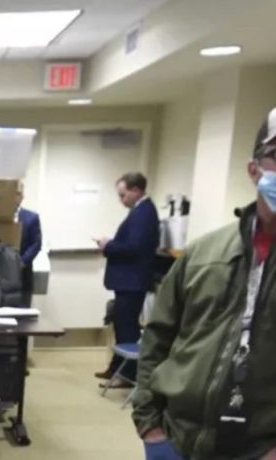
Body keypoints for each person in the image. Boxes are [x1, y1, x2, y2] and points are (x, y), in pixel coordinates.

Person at [133, 111, 276, 460]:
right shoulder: (203, 254)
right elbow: (157, 338)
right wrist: (150, 425)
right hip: (177, 439)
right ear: (254, 169)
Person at [95, 172, 159, 387]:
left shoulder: (144, 213)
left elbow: (133, 248)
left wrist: (108, 245)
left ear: (136, 190)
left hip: (132, 281)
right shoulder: (139, 211)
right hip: (128, 281)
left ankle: (126, 375)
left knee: (127, 329)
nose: (120, 200)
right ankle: (117, 368)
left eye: (123, 195)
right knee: (121, 326)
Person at [15, 186, 42, 304]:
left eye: (17, 193)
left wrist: (22, 262)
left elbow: (36, 243)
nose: (14, 197)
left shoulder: (31, 217)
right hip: (0, 275)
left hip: (23, 272)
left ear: (22, 197)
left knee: (23, 307)